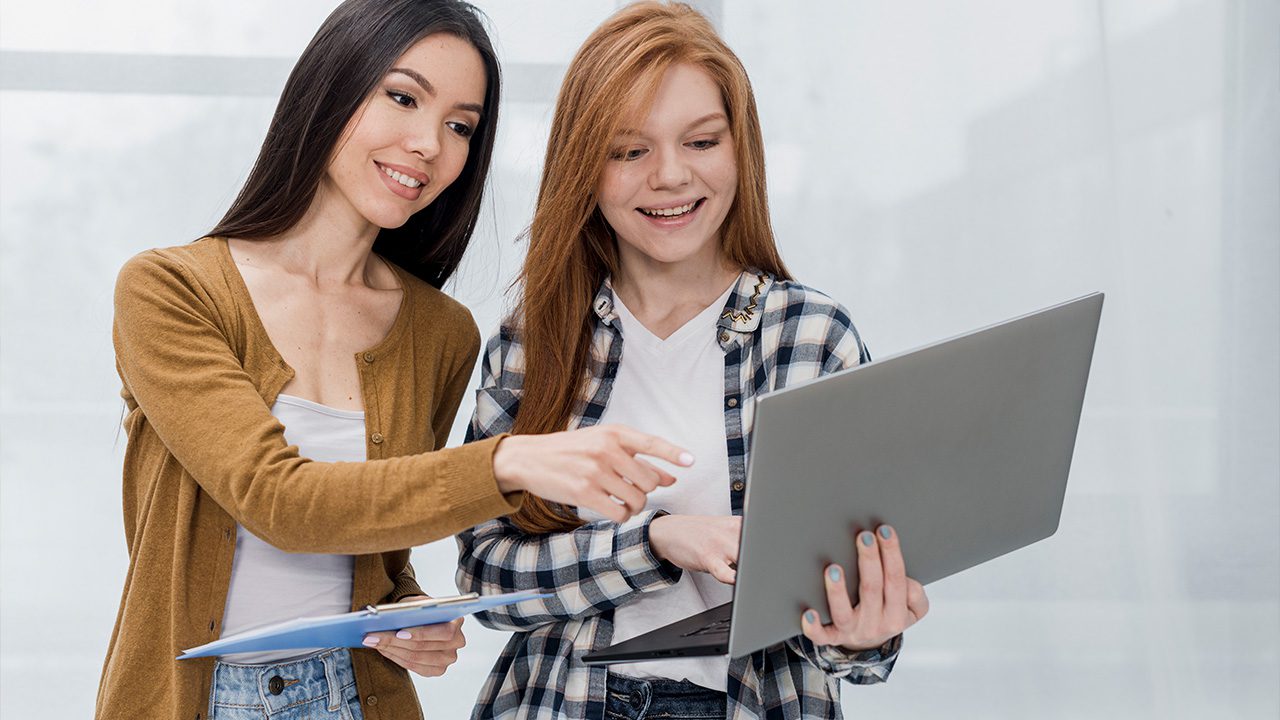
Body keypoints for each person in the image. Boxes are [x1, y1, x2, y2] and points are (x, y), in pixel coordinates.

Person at [96, 1, 691, 718]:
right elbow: (276, 500)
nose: (429, 145)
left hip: (359, 698)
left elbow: (375, 548)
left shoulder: (441, 333)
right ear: (333, 88)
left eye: (460, 126)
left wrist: (406, 614)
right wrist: (507, 463)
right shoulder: (170, 291)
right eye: (403, 97)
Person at [456, 3, 931, 718]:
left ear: (740, 148)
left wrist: (862, 633)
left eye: (701, 141)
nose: (670, 176)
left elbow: (846, 632)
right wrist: (656, 544)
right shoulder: (536, 342)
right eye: (628, 151)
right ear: (585, 167)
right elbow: (485, 579)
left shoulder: (810, 336)